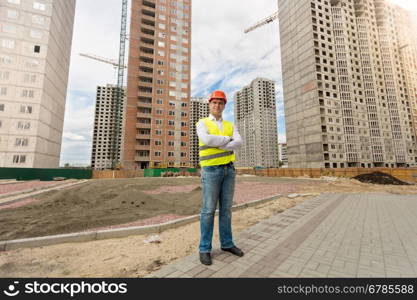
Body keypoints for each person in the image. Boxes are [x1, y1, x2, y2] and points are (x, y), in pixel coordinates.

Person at [196, 90, 244, 265]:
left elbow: (238, 143)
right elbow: (206, 140)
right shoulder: (202, 123)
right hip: (210, 171)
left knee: (226, 210)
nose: (217, 105)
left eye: (220, 103)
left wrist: (220, 143)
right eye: (214, 102)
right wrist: (226, 140)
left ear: (224, 105)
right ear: (210, 104)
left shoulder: (231, 124)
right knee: (208, 211)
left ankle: (227, 244)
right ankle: (204, 248)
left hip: (229, 171)